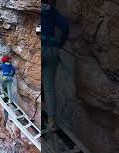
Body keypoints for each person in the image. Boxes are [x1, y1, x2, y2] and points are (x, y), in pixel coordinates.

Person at [41, 0, 69, 128]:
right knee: (49, 87)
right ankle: (51, 120)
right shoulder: (52, 11)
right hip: (52, 50)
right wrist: (60, 44)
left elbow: (38, 29)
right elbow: (65, 27)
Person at [0, 55, 16, 121]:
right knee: (9, 89)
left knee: (1, 85)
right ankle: (10, 100)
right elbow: (13, 71)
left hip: (4, 77)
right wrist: (12, 75)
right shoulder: (11, 65)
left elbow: (0, 68)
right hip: (10, 77)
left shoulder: (3, 65)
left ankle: (2, 94)